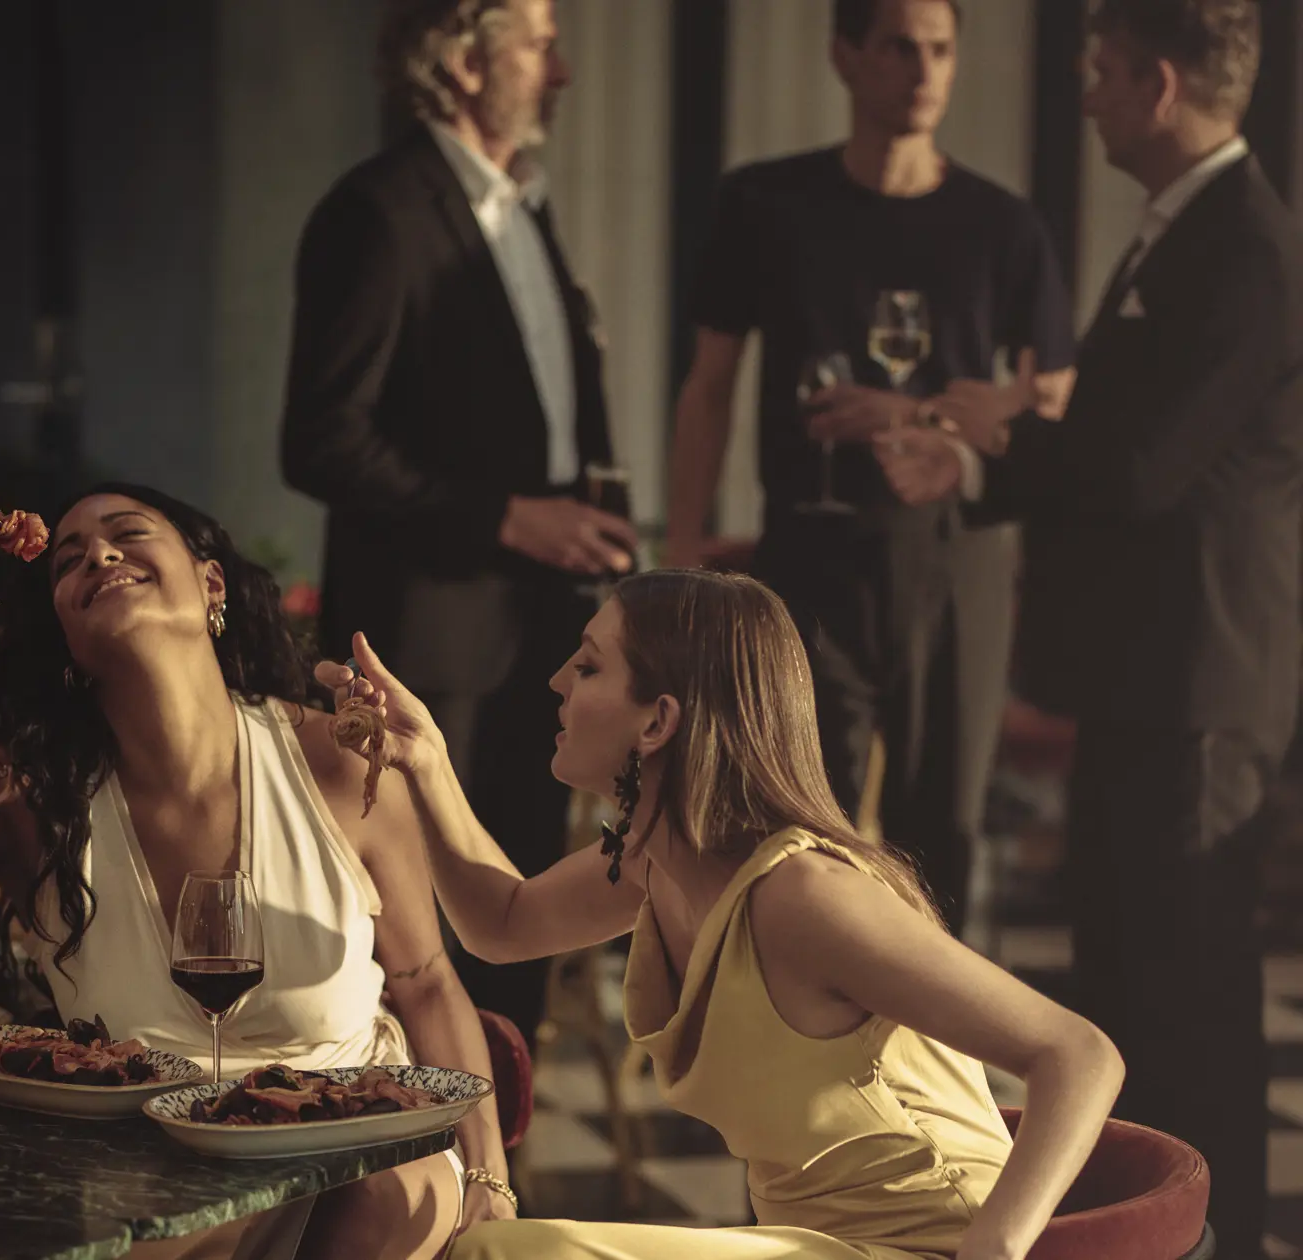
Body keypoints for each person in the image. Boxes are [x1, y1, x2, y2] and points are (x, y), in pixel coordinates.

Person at [322, 568, 1125, 1260]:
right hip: (812, 1244)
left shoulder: (802, 894)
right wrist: (426, 763)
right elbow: (502, 923)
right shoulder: (656, 862)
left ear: (658, 721)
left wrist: (995, 1250)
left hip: (929, 1243)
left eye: (590, 666)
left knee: (503, 1252)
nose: (558, 680)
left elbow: (1079, 1055)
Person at [0, 407, 510, 1260]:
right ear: (65, 635)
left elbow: (425, 981)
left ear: (211, 587)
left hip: (358, 1146)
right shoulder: (24, 793)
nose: (98, 555)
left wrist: (492, 1180)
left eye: (128, 534)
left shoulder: (339, 758)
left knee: (382, 1194)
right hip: (147, 1182)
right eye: (67, 559)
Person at [875, 4, 1301, 1255]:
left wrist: (999, 433)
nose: (1089, 96)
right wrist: (982, 462)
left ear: (1160, 85)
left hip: (1199, 688)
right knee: (1132, 989)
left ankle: (1217, 1240)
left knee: (1188, 1003)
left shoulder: (1244, 248)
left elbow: (1143, 468)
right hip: (1149, 684)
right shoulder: (1187, 231)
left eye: (1101, 73)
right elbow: (1128, 452)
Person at [666, 0, 1076, 937]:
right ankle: (808, 1020)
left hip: (957, 559)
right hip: (811, 553)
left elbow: (1050, 405)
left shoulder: (1003, 225)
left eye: (941, 50)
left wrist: (917, 416)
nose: (924, 71)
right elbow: (709, 386)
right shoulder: (767, 204)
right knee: (804, 825)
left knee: (945, 836)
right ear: (846, 56)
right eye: (900, 47)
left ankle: (935, 1025)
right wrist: (684, 559)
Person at [280, 0, 633, 1050]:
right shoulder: (377, 212)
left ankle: (500, 1136)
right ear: (464, 62)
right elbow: (321, 441)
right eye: (539, 45)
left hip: (542, 627)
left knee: (519, 922)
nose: (560, 73)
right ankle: (421, 1147)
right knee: (419, 950)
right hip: (429, 644)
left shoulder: (524, 209)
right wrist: (507, 519)